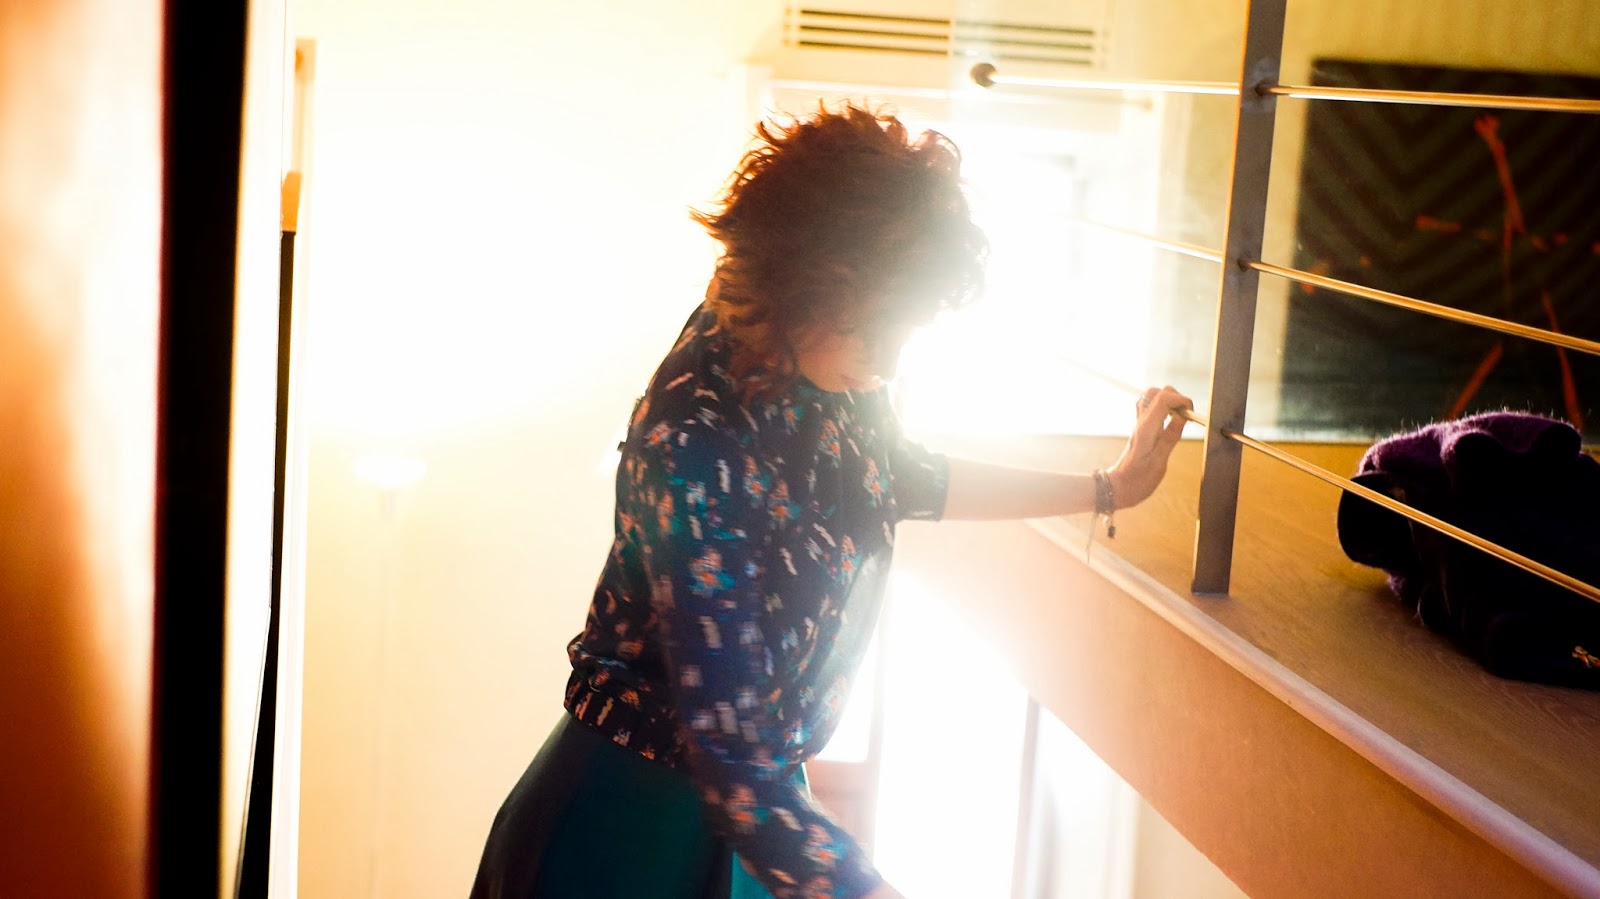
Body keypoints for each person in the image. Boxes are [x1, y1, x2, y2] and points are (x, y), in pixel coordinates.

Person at [469, 102, 1192, 899]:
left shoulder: (823, 367)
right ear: (807, 283)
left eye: (904, 332)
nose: (888, 361)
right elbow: (736, 770)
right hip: (623, 835)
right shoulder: (694, 444)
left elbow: (898, 476)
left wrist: (1106, 487)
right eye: (877, 329)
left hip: (756, 809)